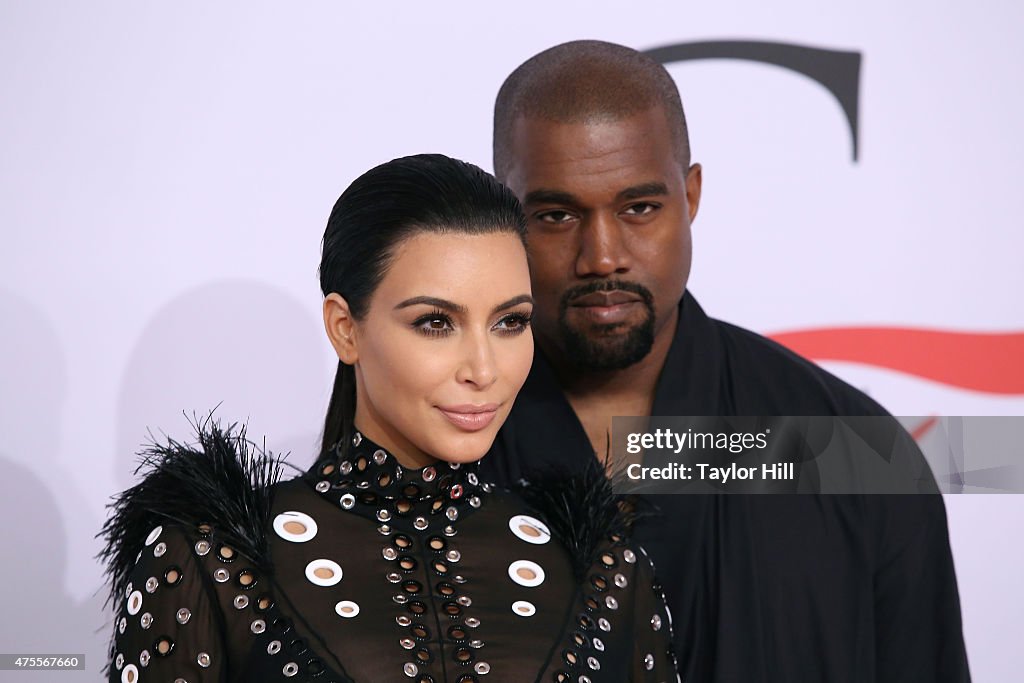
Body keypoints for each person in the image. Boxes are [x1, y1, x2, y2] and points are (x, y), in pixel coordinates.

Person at [481, 41, 971, 682]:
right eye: (556, 214)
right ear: (502, 217)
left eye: (639, 208)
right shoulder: (428, 444)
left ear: (691, 195)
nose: (602, 256)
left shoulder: (855, 454)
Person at [100, 154, 678, 682]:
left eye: (509, 323)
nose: (484, 369)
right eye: (435, 322)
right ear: (345, 328)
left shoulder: (604, 568)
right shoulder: (212, 562)